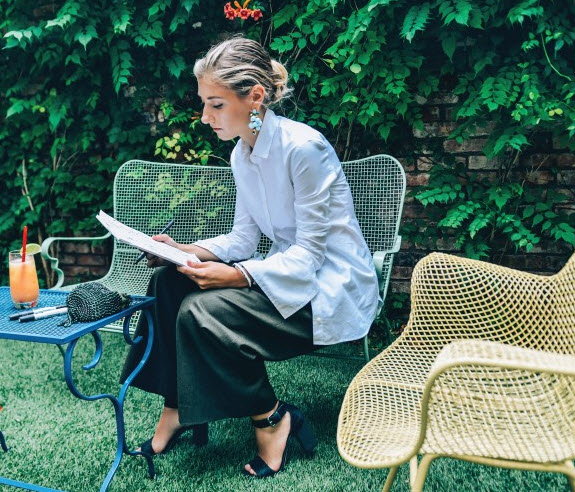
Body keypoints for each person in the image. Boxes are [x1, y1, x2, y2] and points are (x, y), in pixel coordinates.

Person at [120, 35, 380, 478]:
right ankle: (178, 407)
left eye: (215, 105)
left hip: (328, 290)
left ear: (256, 97)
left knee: (204, 311)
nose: (205, 118)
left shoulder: (304, 149)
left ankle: (272, 418)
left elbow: (308, 257)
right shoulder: (243, 152)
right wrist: (183, 252)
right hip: (288, 276)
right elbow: (243, 237)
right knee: (168, 281)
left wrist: (236, 277)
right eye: (205, 104)